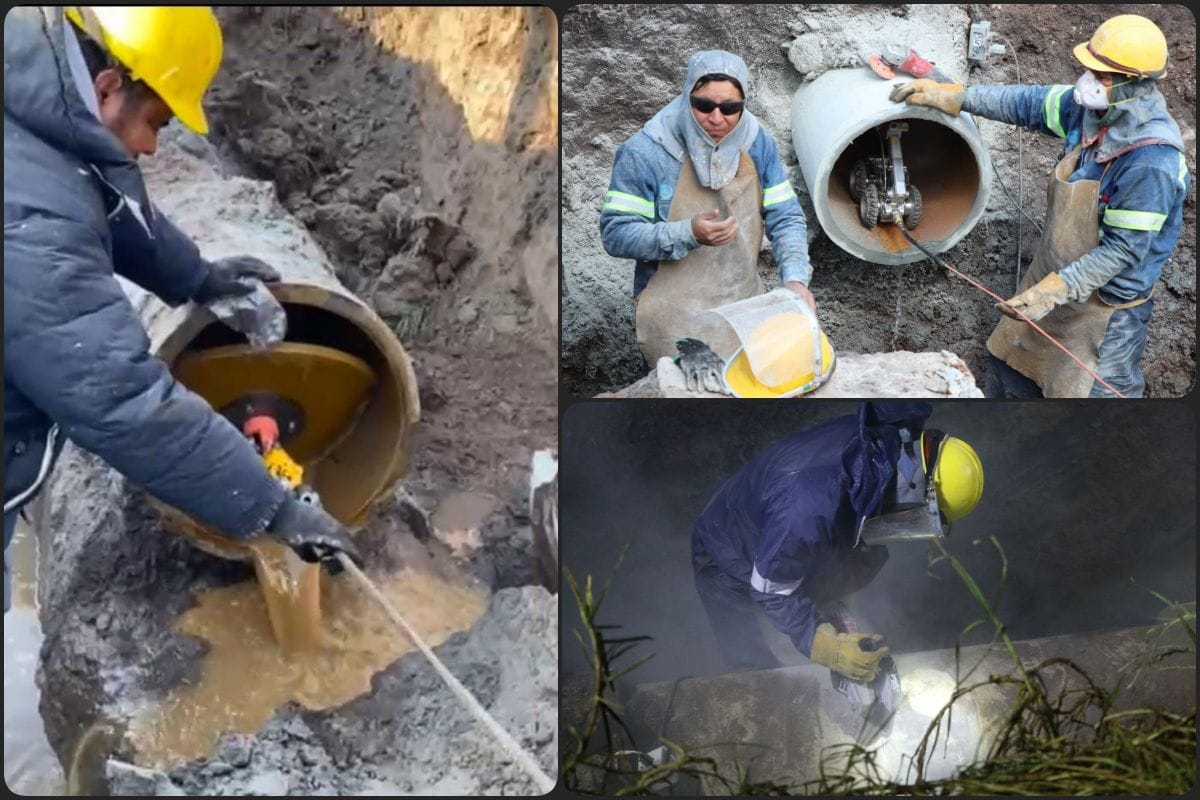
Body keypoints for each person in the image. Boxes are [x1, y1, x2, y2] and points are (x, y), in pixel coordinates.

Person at [4, 7, 360, 612]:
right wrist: (272, 508)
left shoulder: (34, 114)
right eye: (156, 122)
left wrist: (198, 278)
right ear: (108, 86)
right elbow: (122, 401)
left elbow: (102, 205)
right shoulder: (31, 230)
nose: (149, 146)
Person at [891, 14, 1190, 398]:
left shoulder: (1151, 161)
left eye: (1101, 75)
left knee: (1095, 403)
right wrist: (959, 97)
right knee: (1010, 375)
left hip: (1103, 313)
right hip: (1050, 282)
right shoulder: (1093, 110)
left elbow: (1124, 251)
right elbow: (1027, 103)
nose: (1087, 80)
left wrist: (1052, 292)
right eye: (1088, 69)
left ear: (1136, 84)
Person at [691, 403, 983, 681]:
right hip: (728, 553)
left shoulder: (883, 455)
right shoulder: (806, 507)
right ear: (917, 487)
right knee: (756, 670)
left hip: (786, 532)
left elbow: (847, 533)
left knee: (865, 555)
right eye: (918, 515)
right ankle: (757, 676)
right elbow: (771, 590)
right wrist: (829, 648)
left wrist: (831, 604)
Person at [599, 50, 815, 378]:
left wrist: (796, 280)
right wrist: (687, 233)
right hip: (672, 320)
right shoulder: (645, 152)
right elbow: (616, 233)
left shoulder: (758, 143)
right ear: (688, 97)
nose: (717, 119)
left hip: (741, 309)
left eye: (730, 109)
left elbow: (785, 216)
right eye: (704, 106)